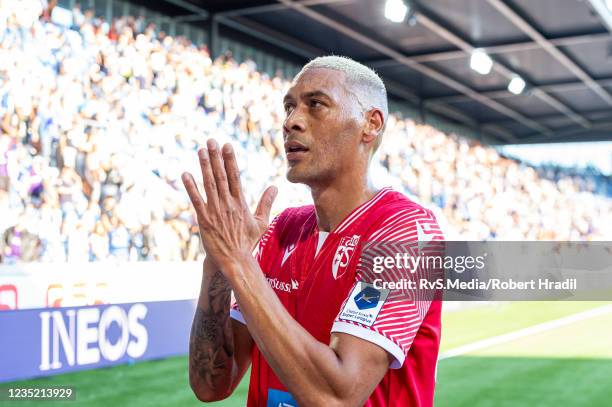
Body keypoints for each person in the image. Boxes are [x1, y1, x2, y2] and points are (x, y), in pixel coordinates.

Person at [182, 56, 444, 406]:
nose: (291, 122)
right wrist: (217, 262)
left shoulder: (408, 232)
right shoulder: (281, 230)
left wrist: (239, 263)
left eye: (316, 104)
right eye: (288, 107)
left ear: (371, 124)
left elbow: (336, 396)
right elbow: (210, 384)